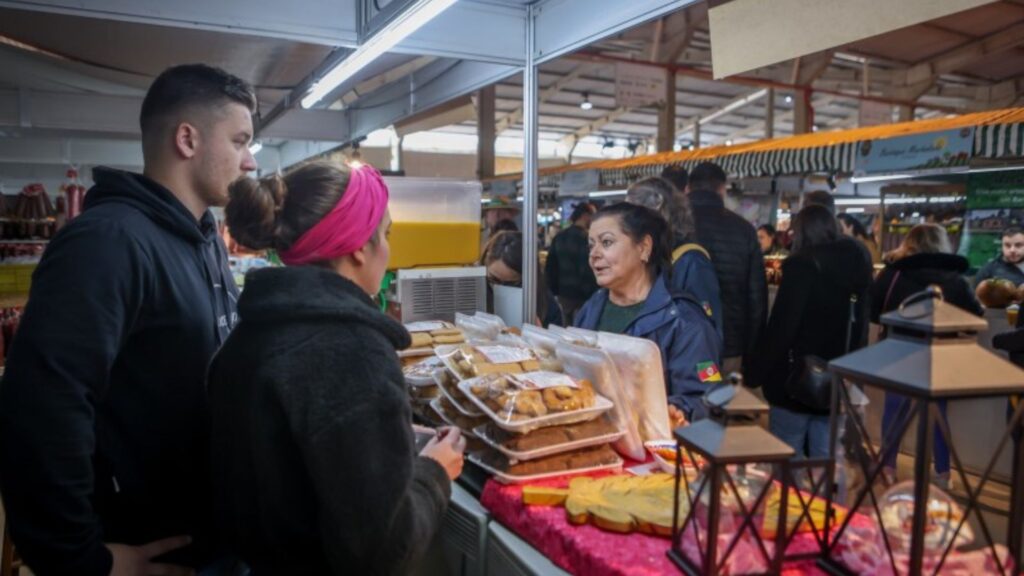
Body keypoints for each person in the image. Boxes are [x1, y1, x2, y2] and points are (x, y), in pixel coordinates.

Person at [0, 64, 255, 576]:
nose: (249, 161)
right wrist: (81, 560)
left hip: (206, 534)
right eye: (240, 140)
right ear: (187, 139)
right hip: (141, 547)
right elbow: (43, 405)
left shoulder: (202, 238)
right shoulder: (108, 242)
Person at [209, 162, 464, 575]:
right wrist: (434, 472)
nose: (387, 249)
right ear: (360, 248)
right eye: (386, 235)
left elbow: (301, 450)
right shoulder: (352, 351)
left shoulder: (253, 333)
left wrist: (389, 432)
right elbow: (383, 548)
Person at [574, 203, 721, 424]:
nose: (594, 255)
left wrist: (678, 410)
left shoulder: (685, 321)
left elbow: (705, 396)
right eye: (591, 245)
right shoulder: (593, 306)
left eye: (606, 242)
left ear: (644, 248)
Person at [752, 205, 872, 458]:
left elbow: (783, 327)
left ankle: (793, 498)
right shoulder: (857, 264)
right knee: (826, 457)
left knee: (786, 453)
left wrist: (756, 371)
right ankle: (823, 497)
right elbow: (860, 325)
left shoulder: (802, 266)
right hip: (836, 379)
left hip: (794, 380)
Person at [871, 224, 982, 487]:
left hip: (898, 349)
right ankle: (943, 473)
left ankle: (887, 467)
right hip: (940, 355)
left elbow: (873, 309)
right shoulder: (955, 278)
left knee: (895, 409)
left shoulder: (894, 273)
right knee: (937, 414)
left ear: (909, 243)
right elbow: (975, 316)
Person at [685, 161, 766, 378]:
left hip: (683, 344)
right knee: (723, 405)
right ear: (722, 189)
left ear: (688, 188)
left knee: (682, 407)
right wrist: (752, 354)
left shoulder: (672, 226)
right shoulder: (744, 230)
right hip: (729, 347)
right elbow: (756, 298)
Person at [625, 176, 723, 339]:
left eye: (630, 215)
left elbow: (707, 331)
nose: (624, 224)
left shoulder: (691, 261)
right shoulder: (647, 255)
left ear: (657, 210)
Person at [480, 230, 562, 327]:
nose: (498, 288)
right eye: (494, 280)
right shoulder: (475, 295)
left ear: (528, 279)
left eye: (510, 284)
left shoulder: (547, 306)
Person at [546, 202, 599, 325]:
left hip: (564, 295)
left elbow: (551, 268)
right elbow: (590, 268)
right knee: (583, 333)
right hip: (585, 296)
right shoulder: (588, 239)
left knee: (565, 330)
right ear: (585, 216)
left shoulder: (559, 237)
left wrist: (554, 291)